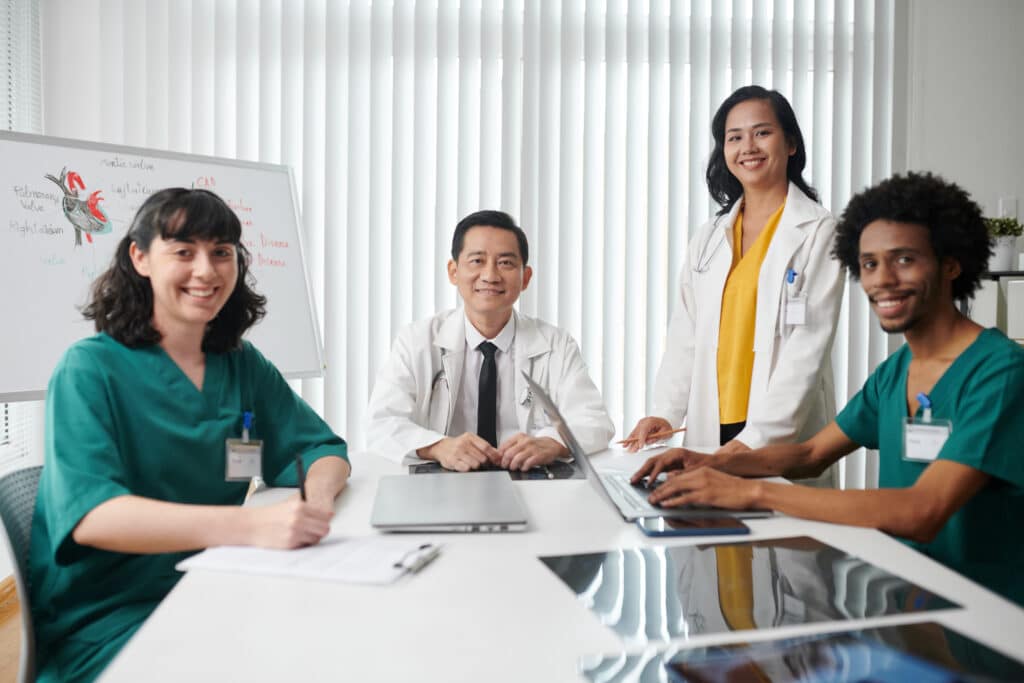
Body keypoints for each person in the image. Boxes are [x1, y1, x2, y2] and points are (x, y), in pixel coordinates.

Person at [631, 172, 1024, 607]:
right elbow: (809, 455)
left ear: (952, 263)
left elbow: (922, 512)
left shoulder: (1000, 371)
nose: (883, 280)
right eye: (870, 264)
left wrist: (752, 491)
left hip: (985, 620)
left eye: (905, 259)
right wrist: (712, 460)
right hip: (908, 605)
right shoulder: (896, 371)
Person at [29, 188, 352, 682]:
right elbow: (94, 516)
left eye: (222, 252)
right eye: (183, 251)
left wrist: (319, 502)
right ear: (140, 257)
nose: (206, 270)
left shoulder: (240, 364)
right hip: (115, 617)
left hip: (217, 586)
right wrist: (252, 527)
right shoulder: (89, 369)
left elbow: (320, 448)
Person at [624, 86, 844, 488]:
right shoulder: (709, 236)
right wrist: (665, 414)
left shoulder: (818, 231)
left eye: (762, 133)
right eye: (734, 137)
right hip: (712, 422)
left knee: (785, 546)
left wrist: (752, 443)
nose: (748, 147)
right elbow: (684, 336)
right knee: (713, 544)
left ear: (791, 143)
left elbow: (807, 350)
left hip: (777, 429)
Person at [366, 209, 614, 472]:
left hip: (531, 480)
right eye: (477, 261)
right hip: (444, 480)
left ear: (525, 277)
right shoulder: (417, 340)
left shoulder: (556, 344)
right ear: (453, 271)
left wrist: (553, 443)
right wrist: (437, 446)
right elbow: (382, 422)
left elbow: (594, 420)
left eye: (505, 263)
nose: (490, 275)